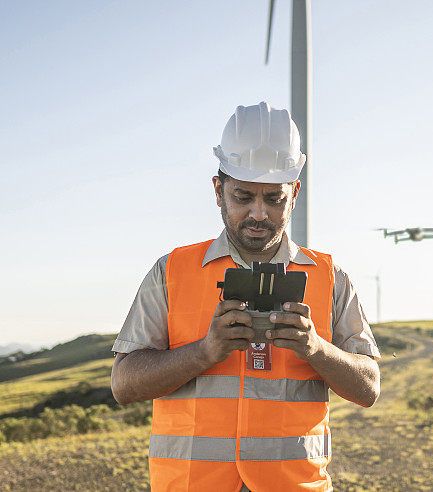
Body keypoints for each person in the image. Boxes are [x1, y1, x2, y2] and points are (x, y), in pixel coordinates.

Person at [110, 102, 381, 492]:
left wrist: (316, 348)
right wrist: (204, 352)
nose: (258, 213)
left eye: (274, 199)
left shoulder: (331, 278)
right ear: (219, 191)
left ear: (295, 193)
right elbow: (123, 385)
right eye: (243, 197)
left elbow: (369, 388)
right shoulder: (170, 271)